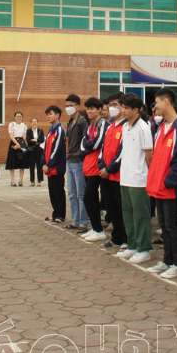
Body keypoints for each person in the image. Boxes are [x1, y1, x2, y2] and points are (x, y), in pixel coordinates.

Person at [145, 89, 177, 278]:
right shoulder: (162, 126)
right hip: (158, 186)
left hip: (169, 187)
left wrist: (171, 181)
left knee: (172, 226)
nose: (155, 106)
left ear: (167, 101)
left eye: (157, 102)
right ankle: (167, 260)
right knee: (164, 226)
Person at [116, 93, 154, 264]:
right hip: (125, 177)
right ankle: (132, 245)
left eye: (126, 108)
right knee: (128, 214)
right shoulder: (125, 127)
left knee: (140, 215)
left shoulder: (143, 127)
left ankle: (144, 248)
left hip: (139, 179)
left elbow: (149, 154)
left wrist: (151, 177)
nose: (122, 110)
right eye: (122, 107)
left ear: (137, 110)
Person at [99, 93, 127, 249]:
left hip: (118, 175)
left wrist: (109, 169)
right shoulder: (110, 126)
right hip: (106, 175)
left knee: (121, 208)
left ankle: (124, 238)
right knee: (111, 208)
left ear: (123, 107)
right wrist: (102, 165)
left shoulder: (125, 126)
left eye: (115, 104)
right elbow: (103, 149)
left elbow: (121, 153)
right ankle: (116, 237)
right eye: (110, 105)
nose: (112, 108)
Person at [80, 97, 108, 242]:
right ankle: (96, 228)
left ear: (99, 110)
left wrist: (88, 146)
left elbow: (98, 143)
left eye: (92, 108)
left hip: (97, 166)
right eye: (88, 108)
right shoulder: (89, 125)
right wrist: (88, 146)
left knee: (89, 197)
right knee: (91, 198)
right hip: (88, 165)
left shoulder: (103, 123)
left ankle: (99, 229)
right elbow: (83, 144)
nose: (89, 111)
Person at [64, 94, 89, 230]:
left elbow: (85, 140)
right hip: (70, 160)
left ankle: (84, 221)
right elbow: (68, 140)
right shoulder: (70, 121)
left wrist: (79, 154)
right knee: (72, 193)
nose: (68, 108)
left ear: (78, 106)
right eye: (67, 106)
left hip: (79, 161)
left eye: (71, 105)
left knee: (81, 193)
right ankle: (75, 220)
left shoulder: (82, 121)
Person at [43, 106, 67, 223]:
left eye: (50, 114)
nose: (48, 116)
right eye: (47, 114)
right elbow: (46, 148)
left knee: (58, 191)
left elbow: (56, 149)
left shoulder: (59, 130)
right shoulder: (50, 131)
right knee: (52, 191)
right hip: (49, 168)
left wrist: (49, 164)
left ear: (57, 115)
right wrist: (43, 163)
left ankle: (60, 215)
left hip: (57, 168)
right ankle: (55, 213)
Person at [6, 111, 28, 186]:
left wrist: (24, 145)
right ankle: (12, 181)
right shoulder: (12, 124)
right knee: (12, 162)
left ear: (22, 117)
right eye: (17, 116)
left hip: (21, 144)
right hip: (13, 142)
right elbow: (11, 135)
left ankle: (20, 180)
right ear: (15, 117)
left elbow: (24, 137)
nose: (19, 117)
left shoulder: (24, 125)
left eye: (20, 116)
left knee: (22, 163)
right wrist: (16, 143)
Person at [26, 118, 45, 186]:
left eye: (35, 122)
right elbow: (28, 140)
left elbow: (42, 139)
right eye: (33, 122)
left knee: (39, 166)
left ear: (37, 123)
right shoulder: (28, 131)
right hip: (31, 150)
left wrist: (34, 140)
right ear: (31, 123)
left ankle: (39, 181)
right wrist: (36, 140)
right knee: (32, 166)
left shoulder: (40, 130)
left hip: (39, 150)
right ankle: (32, 181)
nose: (34, 123)